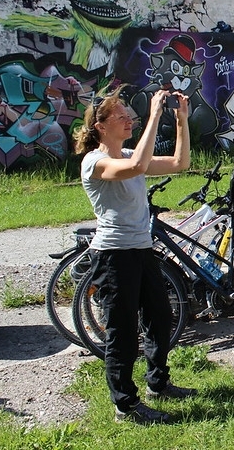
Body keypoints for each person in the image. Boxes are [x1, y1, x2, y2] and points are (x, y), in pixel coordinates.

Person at [74, 85, 195, 425]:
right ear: (100, 126)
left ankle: (158, 383)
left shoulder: (127, 153)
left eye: (130, 115)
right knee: (123, 332)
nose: (129, 120)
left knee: (160, 316)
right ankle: (125, 406)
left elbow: (180, 162)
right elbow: (139, 165)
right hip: (114, 256)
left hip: (141, 249)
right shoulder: (94, 162)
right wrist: (154, 115)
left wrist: (181, 120)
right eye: (121, 117)